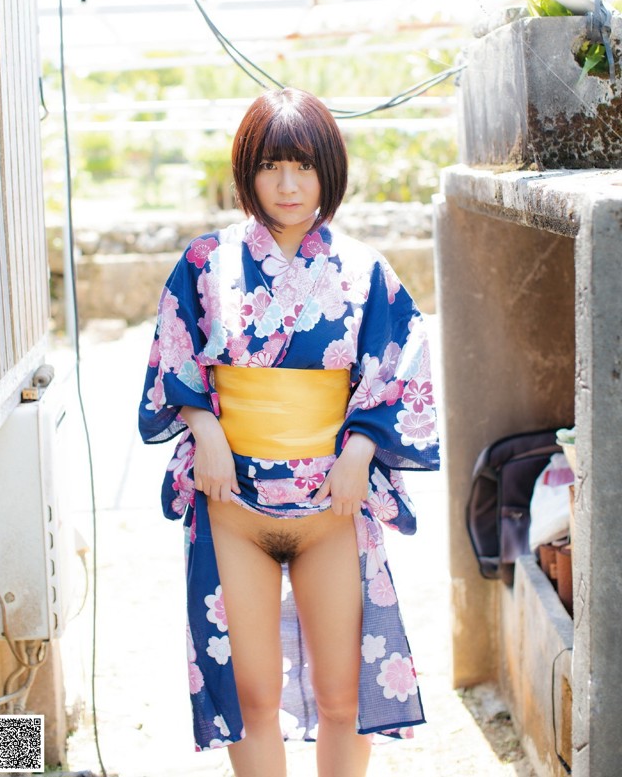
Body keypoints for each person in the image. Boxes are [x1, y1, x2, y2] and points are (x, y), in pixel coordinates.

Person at [138, 87, 440, 777]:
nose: (287, 184)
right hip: (234, 504)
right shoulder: (203, 264)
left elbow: (400, 360)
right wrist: (202, 422)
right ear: (248, 170)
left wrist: (361, 447)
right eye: (272, 165)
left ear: (327, 171)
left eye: (303, 166)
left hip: (329, 506)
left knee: (340, 694)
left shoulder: (364, 271)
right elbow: (175, 355)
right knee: (252, 695)